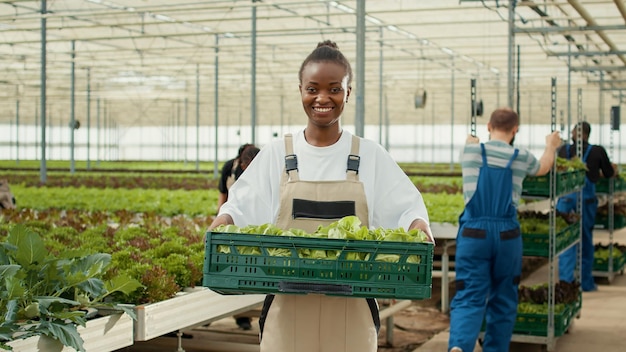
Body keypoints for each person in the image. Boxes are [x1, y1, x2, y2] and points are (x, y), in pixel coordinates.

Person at [208, 40, 433, 352]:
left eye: (334, 88)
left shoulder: (369, 154)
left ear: (348, 92)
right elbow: (242, 205)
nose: (322, 98)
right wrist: (225, 219)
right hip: (287, 308)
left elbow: (406, 207)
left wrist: (418, 225)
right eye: (312, 88)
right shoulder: (277, 154)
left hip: (351, 310)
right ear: (300, 89)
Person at [448, 108, 561, 352]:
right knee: (504, 297)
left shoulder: (470, 152)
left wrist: (472, 140)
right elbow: (543, 167)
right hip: (507, 235)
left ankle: (459, 345)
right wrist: (551, 145)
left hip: (474, 234)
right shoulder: (521, 157)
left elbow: (469, 142)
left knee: (469, 295)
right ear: (515, 130)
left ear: (488, 126)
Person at [556, 121, 618, 292]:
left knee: (566, 242)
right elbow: (608, 173)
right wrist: (612, 170)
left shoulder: (562, 150)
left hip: (565, 202)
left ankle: (566, 283)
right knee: (585, 241)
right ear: (588, 134)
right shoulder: (597, 151)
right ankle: (585, 283)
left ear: (573, 133)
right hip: (586, 201)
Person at [215, 143, 260, 330]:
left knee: (246, 271)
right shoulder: (230, 168)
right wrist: (220, 217)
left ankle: (243, 316)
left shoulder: (263, 169)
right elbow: (223, 194)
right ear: (242, 164)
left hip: (253, 223)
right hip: (231, 222)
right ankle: (220, 310)